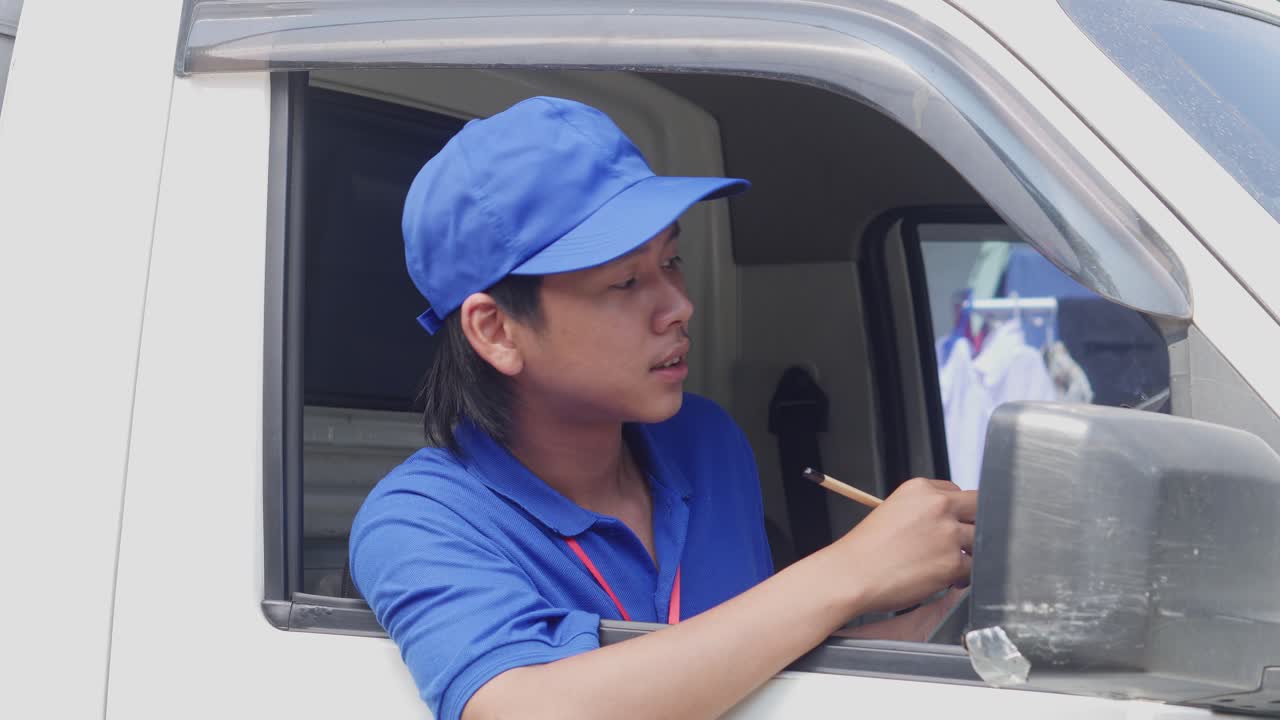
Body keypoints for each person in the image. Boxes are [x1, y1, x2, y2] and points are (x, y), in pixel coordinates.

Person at [348, 96, 978, 720]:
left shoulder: (705, 440)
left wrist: (940, 622)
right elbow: (527, 709)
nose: (679, 306)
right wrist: (852, 571)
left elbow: (748, 670)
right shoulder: (422, 519)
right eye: (626, 281)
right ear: (496, 331)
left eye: (671, 260)